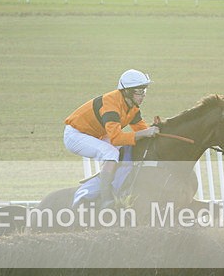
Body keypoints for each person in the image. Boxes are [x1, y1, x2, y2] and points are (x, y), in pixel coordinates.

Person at [63, 69, 159, 207]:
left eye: (144, 90)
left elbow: (142, 130)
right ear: (127, 92)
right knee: (111, 152)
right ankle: (106, 198)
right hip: (76, 136)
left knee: (124, 149)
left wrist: (156, 129)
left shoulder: (132, 107)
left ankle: (115, 184)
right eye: (139, 91)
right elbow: (116, 138)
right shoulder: (111, 105)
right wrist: (144, 133)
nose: (143, 95)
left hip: (95, 135)